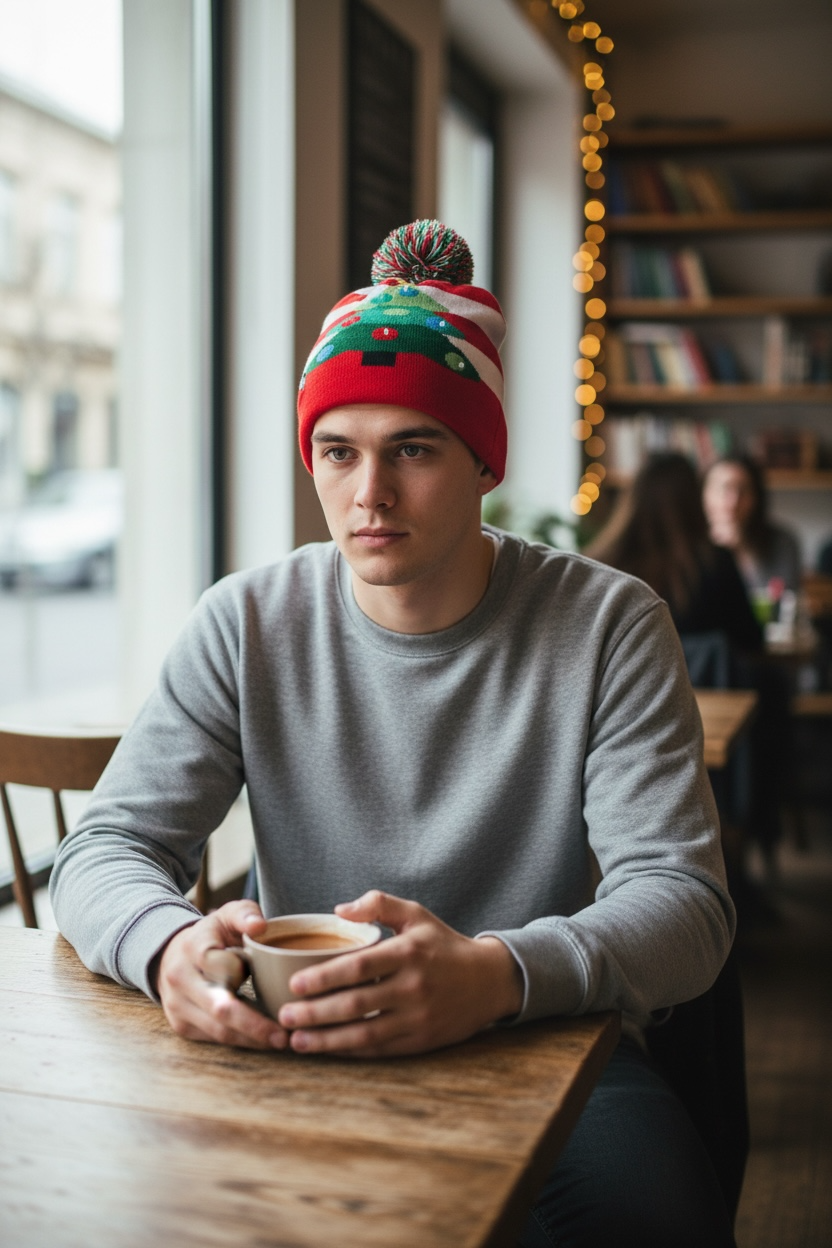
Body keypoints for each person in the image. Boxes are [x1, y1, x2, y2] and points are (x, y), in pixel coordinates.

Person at [51, 220, 737, 1246]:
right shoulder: (246, 620)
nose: (367, 495)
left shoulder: (607, 622)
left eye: (411, 450)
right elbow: (105, 848)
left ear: (480, 461)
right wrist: (169, 949)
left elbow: (683, 906)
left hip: (539, 1045)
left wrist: (497, 975)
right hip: (292, 1044)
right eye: (338, 452)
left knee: (650, 1219)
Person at [586, 451, 762, 660]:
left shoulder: (599, 564)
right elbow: (752, 640)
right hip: (702, 692)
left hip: (620, 691)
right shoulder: (715, 562)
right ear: (693, 500)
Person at [702, 454, 802, 601]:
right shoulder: (689, 546)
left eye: (742, 490)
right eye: (724, 489)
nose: (733, 502)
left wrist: (741, 549)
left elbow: (781, 603)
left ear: (756, 498)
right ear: (704, 494)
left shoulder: (782, 542)